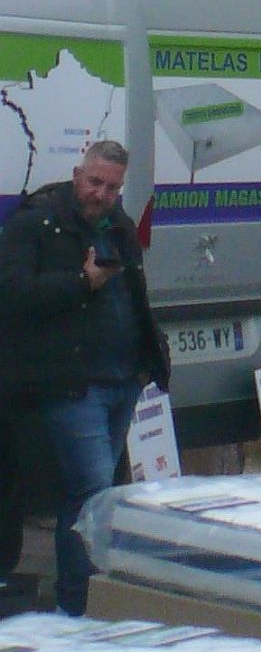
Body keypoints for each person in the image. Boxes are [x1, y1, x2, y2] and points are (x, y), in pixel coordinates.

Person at [0, 141, 169, 616]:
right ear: (77, 175)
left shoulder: (119, 225)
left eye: (113, 186)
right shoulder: (38, 223)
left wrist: (147, 364)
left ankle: (82, 602)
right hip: (72, 383)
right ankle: (79, 604)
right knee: (93, 494)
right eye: (95, 182)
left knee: (96, 496)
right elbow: (12, 295)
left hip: (122, 381)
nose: (102, 194)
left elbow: (137, 297)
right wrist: (80, 284)